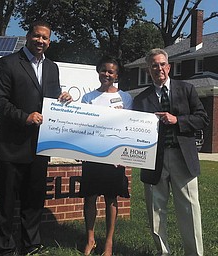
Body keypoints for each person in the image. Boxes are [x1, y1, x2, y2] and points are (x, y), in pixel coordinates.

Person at [0, 20, 72, 256]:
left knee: (34, 200)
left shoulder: (52, 67)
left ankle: (31, 244)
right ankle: (4, 248)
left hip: (40, 145)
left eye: (45, 38)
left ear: (50, 41)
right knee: (6, 202)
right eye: (37, 36)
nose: (41, 41)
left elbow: (50, 100)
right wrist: (24, 117)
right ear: (28, 36)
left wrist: (62, 99)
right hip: (11, 145)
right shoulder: (8, 63)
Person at [133, 48, 209, 256]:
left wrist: (178, 120)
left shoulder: (186, 89)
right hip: (153, 159)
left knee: (189, 209)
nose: (158, 68)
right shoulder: (141, 100)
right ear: (149, 70)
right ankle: (163, 252)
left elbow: (203, 119)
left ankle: (194, 253)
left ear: (169, 66)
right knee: (156, 211)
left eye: (161, 64)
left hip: (182, 157)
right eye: (153, 65)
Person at [79, 56, 131, 256]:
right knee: (90, 197)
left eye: (111, 72)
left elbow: (130, 128)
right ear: (98, 71)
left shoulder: (126, 98)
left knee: (111, 199)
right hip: (92, 156)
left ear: (116, 75)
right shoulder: (88, 98)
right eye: (103, 70)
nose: (106, 74)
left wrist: (123, 155)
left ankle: (108, 243)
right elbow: (82, 127)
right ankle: (90, 239)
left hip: (114, 158)